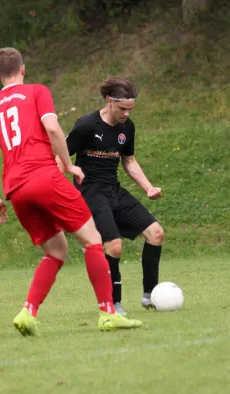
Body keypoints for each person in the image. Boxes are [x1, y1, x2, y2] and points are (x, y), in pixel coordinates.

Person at [0, 48, 142, 336]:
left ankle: (28, 312)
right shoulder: (37, 91)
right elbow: (52, 128)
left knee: (56, 251)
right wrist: (68, 165)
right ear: (23, 69)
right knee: (93, 240)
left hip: (16, 190)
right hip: (43, 176)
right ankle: (108, 312)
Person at [58, 76, 165, 316]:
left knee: (156, 234)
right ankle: (113, 303)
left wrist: (148, 187)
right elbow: (60, 156)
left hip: (114, 190)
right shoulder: (86, 125)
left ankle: (151, 296)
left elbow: (129, 160)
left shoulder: (128, 127)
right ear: (109, 101)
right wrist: (61, 189)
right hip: (90, 192)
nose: (126, 114)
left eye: (130, 109)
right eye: (123, 108)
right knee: (114, 246)